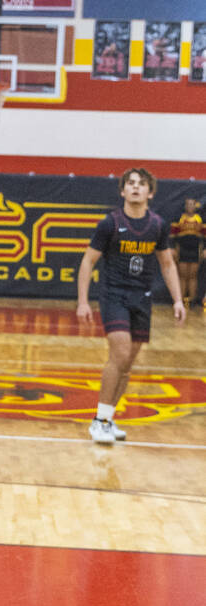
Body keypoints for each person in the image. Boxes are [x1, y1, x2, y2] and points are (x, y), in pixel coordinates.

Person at [77, 168, 185, 444]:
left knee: (127, 364)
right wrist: (82, 301)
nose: (135, 188)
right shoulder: (110, 224)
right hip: (114, 295)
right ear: (122, 191)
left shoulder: (158, 225)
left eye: (141, 184)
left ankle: (109, 418)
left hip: (142, 297)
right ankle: (99, 421)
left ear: (150, 192)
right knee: (120, 352)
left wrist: (177, 300)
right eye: (131, 184)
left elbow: (167, 263)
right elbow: (88, 261)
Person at [171, 196, 203, 307]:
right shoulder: (179, 218)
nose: (190, 206)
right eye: (188, 204)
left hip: (195, 250)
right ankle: (180, 300)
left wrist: (204, 249)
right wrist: (173, 248)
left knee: (193, 276)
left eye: (192, 204)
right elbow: (172, 236)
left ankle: (192, 300)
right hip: (182, 249)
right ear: (185, 206)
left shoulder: (200, 219)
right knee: (182, 275)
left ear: (195, 206)